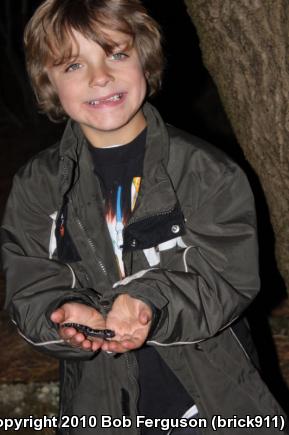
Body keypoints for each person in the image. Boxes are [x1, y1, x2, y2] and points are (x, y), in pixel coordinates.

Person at [0, 0, 287, 434]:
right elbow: (30, 285)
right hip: (100, 404)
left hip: (208, 402)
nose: (100, 76)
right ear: (49, 82)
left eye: (116, 53)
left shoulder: (206, 171)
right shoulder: (38, 186)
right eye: (74, 65)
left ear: (145, 60)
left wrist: (150, 301)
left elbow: (229, 276)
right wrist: (64, 314)